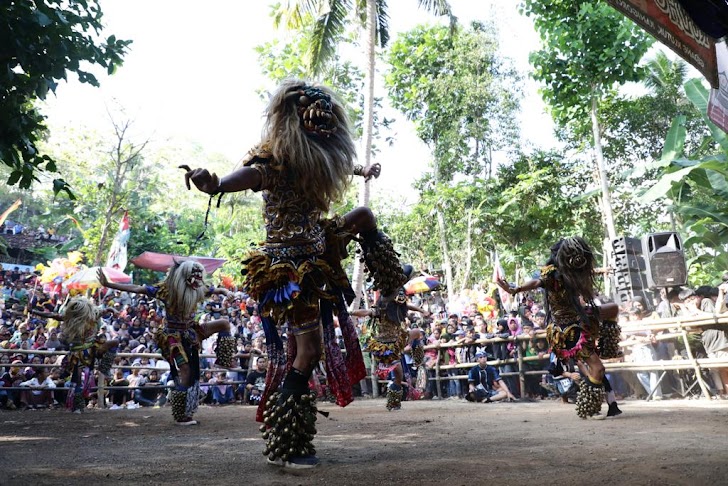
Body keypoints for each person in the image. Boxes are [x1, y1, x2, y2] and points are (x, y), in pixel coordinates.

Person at [183, 80, 402, 468]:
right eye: (311, 118)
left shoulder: (318, 160)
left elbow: (341, 165)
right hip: (290, 270)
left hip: (320, 248)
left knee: (364, 217)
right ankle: (289, 441)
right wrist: (214, 184)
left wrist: (364, 170)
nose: (321, 124)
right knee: (308, 353)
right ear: (294, 120)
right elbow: (244, 177)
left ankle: (391, 287)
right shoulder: (272, 160)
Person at [497, 236, 623, 419]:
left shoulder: (574, 273)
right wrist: (515, 289)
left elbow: (590, 272)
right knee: (598, 369)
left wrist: (603, 270)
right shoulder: (552, 275)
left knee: (613, 308)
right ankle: (590, 408)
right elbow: (536, 282)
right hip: (567, 330)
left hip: (581, 317)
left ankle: (608, 348)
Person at [97, 262, 233, 425]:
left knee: (224, 323)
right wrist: (109, 284)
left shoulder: (198, 289)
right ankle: (181, 415)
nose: (198, 279)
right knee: (185, 371)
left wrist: (226, 291)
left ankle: (224, 360)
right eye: (194, 276)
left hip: (191, 331)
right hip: (172, 338)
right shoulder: (167, 290)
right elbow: (137, 288)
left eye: (199, 276)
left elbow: (216, 290)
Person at [352, 265, 430, 410]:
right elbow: (367, 312)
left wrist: (419, 309)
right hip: (387, 345)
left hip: (392, 342)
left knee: (399, 376)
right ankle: (418, 363)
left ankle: (394, 401)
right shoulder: (383, 306)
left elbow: (404, 306)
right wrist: (350, 313)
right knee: (416, 334)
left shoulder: (393, 300)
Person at [31, 298, 118, 413]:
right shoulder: (71, 319)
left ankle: (105, 368)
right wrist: (35, 311)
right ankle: (77, 406)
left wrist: (114, 311)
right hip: (77, 353)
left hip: (92, 349)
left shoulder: (93, 316)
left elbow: (108, 309)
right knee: (76, 380)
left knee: (114, 342)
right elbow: (52, 314)